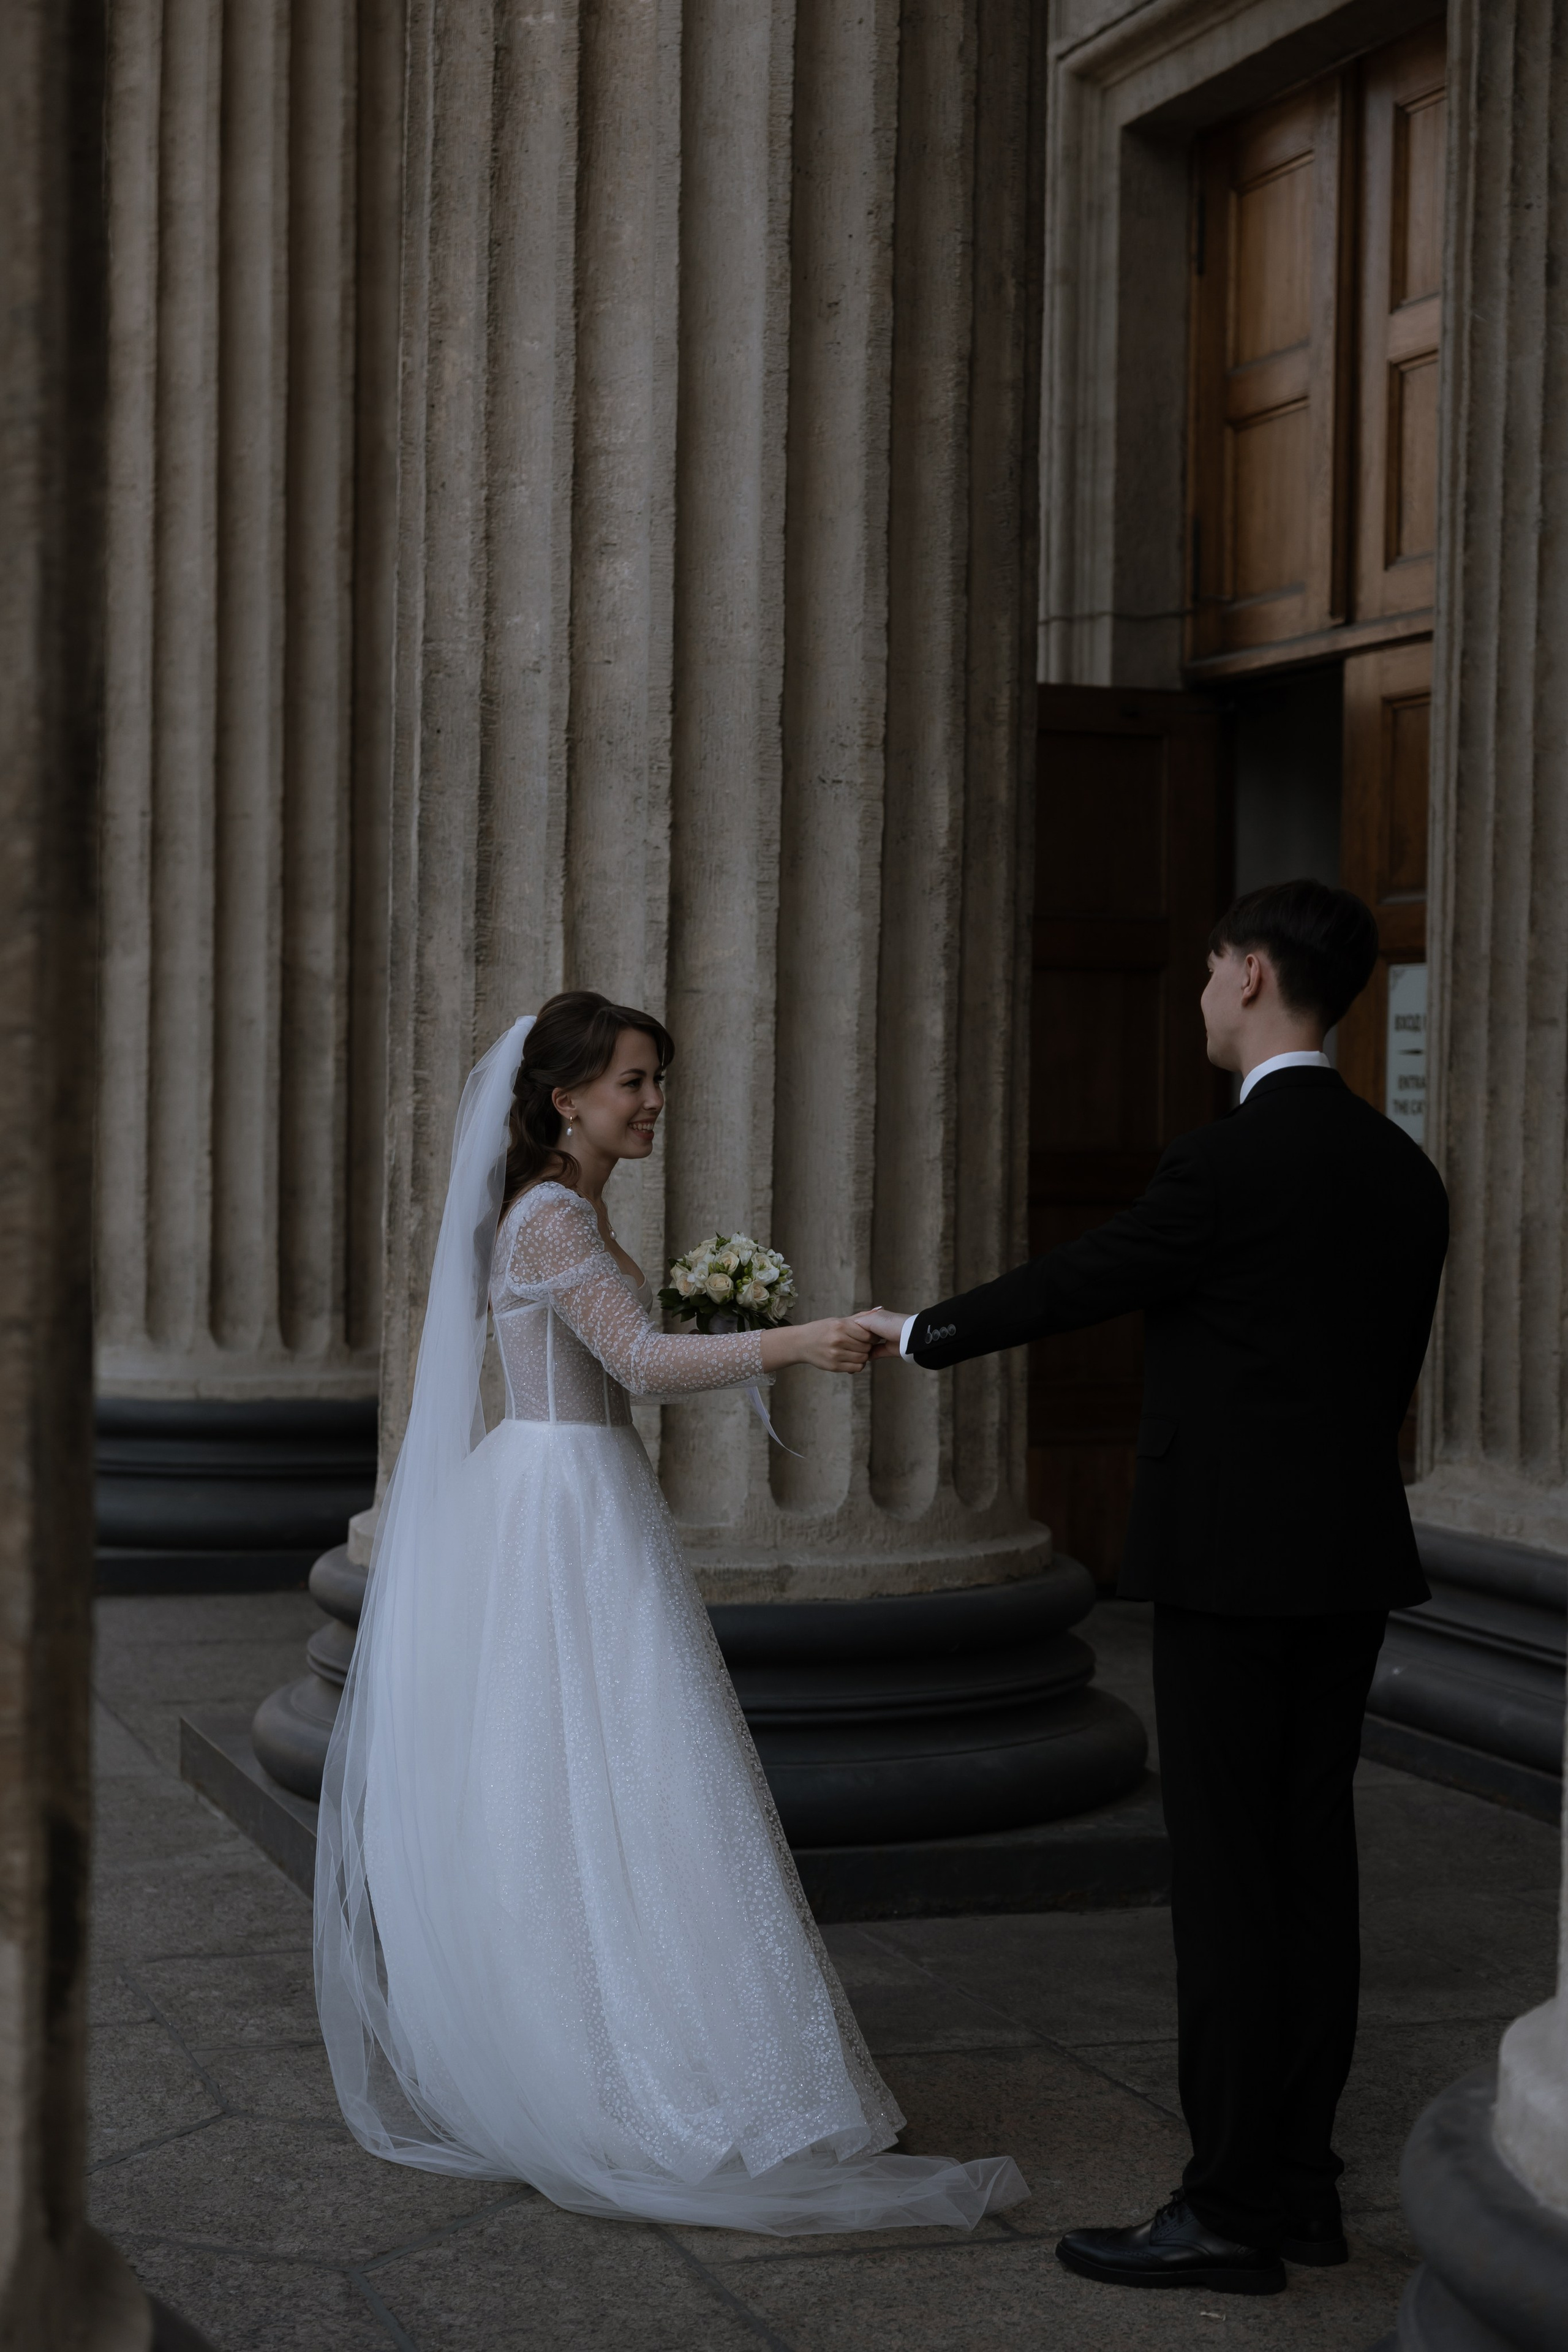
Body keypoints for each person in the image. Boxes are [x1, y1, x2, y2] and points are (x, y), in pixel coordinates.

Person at [314, 990, 1025, 2234]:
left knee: (613, 1778)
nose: (652, 1103)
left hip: (577, 1490)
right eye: (634, 1081)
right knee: (603, 1773)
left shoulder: (567, 1209)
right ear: (564, 1099)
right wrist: (795, 1340)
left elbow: (625, 1350)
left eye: (656, 1080)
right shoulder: (546, 1216)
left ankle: (629, 2039)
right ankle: (613, 2073)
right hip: (562, 1502)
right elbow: (638, 1362)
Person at [857, 880, 1449, 2296]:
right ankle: (1297, 2190)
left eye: (1202, 974)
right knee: (1310, 1876)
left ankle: (1228, 2209)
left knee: (1231, 1889)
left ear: (1248, 975)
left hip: (1231, 1572)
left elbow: (1088, 1279)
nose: (1196, 999)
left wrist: (919, 1332)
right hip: (1345, 1560)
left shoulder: (1221, 1163)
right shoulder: (1398, 1168)